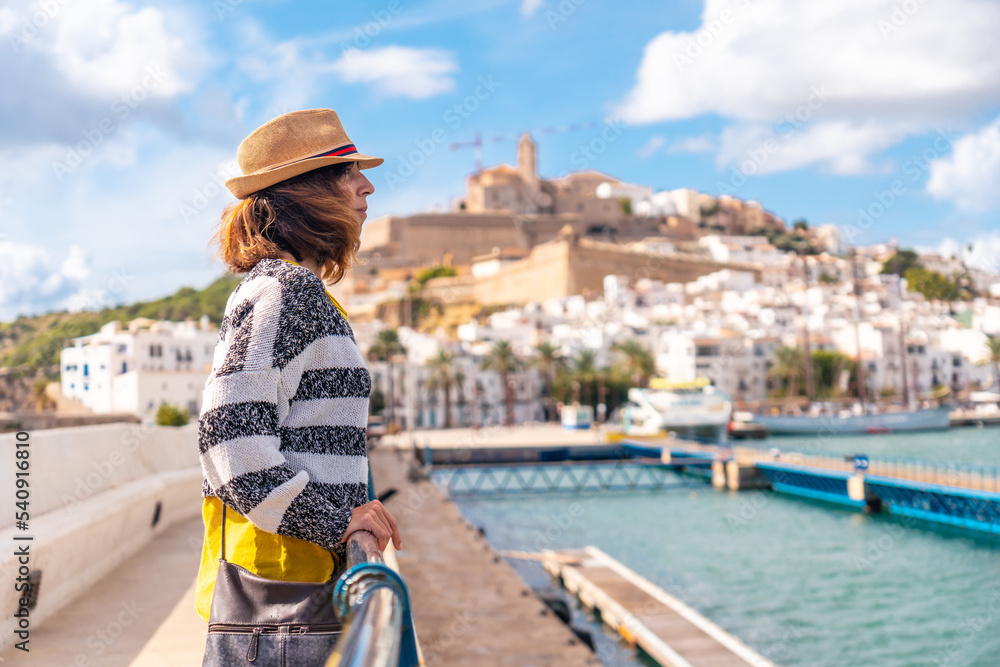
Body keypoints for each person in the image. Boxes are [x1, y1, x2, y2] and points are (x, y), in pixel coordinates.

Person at [194, 109, 401, 627]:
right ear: (305, 191)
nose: (367, 186)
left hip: (291, 590)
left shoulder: (291, 292)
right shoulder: (285, 291)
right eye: (348, 172)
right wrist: (338, 521)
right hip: (281, 603)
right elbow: (227, 438)